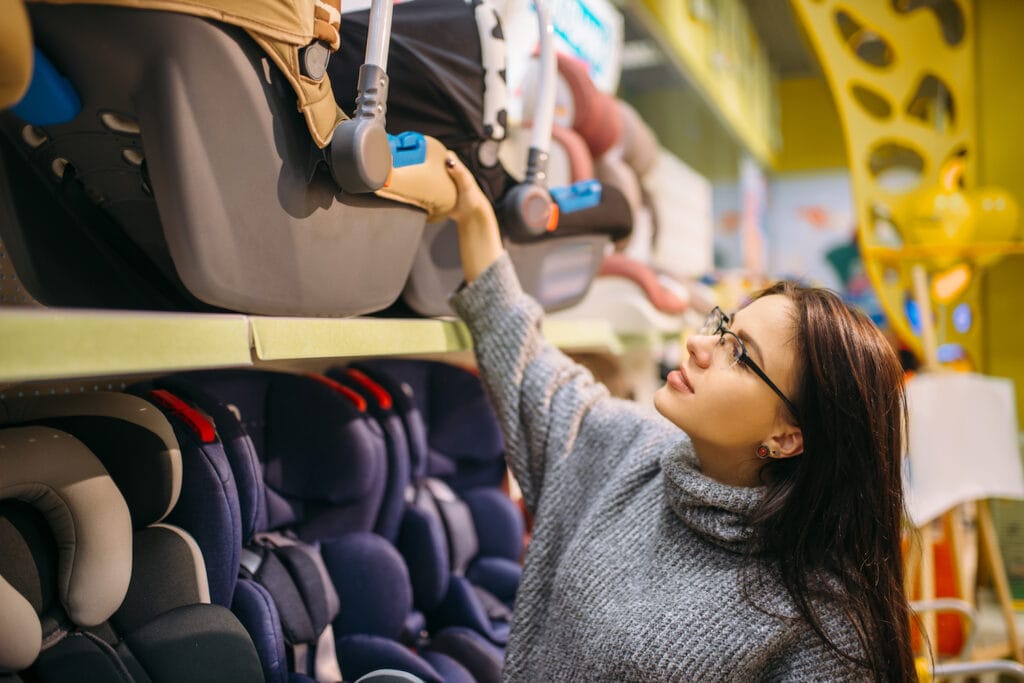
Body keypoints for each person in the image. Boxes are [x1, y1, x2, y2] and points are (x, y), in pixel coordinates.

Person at [442, 152, 916, 682]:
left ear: (787, 437)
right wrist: (474, 216)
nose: (697, 344)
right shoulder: (635, 454)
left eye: (740, 355)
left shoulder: (823, 624)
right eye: (722, 326)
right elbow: (531, 368)